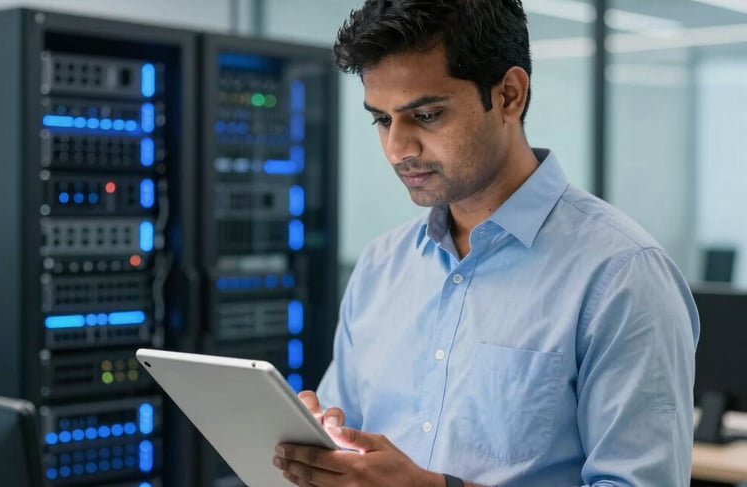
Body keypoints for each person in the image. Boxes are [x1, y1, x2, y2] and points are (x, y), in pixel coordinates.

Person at [272, 0, 700, 485]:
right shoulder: (381, 265)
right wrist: (319, 442)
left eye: (427, 115)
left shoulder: (622, 274)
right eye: (382, 120)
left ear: (509, 96)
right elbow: (347, 440)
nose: (398, 149)